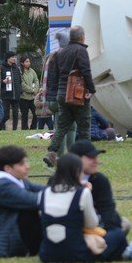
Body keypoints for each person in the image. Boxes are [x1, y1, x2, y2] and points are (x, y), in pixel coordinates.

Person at [39, 154, 127, 263]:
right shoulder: (82, 193)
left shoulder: (45, 192)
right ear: (77, 172)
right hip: (76, 253)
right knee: (118, 234)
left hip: (47, 254)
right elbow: (92, 224)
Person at [43, 25, 96, 167]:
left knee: (61, 127)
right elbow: (85, 71)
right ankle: (88, 157)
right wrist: (91, 89)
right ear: (81, 36)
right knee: (84, 126)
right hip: (77, 94)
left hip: (62, 94)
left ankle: (51, 153)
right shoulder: (81, 50)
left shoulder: (61, 53)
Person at [0, 146, 45, 258]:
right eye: (21, 164)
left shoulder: (19, 181)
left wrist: (70, 189)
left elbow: (46, 190)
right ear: (8, 168)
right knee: (31, 209)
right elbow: (33, 200)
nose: (27, 167)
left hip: (13, 239)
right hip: (2, 246)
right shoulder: (0, 186)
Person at [69, 139, 130, 233]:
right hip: (69, 229)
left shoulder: (99, 180)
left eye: (96, 157)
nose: (96, 161)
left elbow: (107, 209)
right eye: (91, 157)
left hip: (97, 226)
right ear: (76, 159)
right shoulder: (61, 180)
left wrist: (108, 233)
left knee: (124, 224)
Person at [46, 32, 75, 154]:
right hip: (65, 97)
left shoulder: (52, 58)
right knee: (71, 127)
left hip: (52, 99)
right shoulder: (69, 58)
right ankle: (70, 155)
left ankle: (59, 155)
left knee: (59, 127)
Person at [0, 51, 22, 130]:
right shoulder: (2, 67)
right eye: (12, 57)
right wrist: (3, 81)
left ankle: (14, 130)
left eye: (14, 57)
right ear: (8, 58)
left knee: (16, 115)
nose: (14, 58)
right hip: (6, 95)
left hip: (16, 95)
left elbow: (19, 81)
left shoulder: (16, 68)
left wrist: (19, 91)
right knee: (6, 115)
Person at [19, 55, 38, 130]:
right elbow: (22, 84)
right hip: (23, 97)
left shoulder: (32, 71)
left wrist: (36, 89)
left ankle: (33, 128)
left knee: (36, 113)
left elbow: (36, 80)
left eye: (29, 61)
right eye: (26, 61)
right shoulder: (20, 72)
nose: (28, 63)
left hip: (32, 98)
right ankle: (24, 129)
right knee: (24, 115)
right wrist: (32, 91)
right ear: (22, 63)